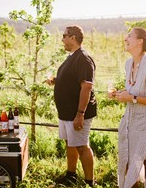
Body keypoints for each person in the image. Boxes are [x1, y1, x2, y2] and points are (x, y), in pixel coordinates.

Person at [109, 27, 146, 188]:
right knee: (128, 160)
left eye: (129, 36)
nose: (125, 39)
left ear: (140, 41)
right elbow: (134, 89)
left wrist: (132, 98)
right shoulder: (129, 64)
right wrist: (120, 94)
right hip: (132, 120)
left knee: (144, 163)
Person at [46, 25, 97, 187]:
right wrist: (56, 80)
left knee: (82, 146)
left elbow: (86, 87)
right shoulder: (72, 56)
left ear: (73, 38)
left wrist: (80, 113)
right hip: (67, 112)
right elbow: (72, 78)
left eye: (64, 36)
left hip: (77, 112)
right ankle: (71, 175)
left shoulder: (83, 58)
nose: (62, 39)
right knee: (70, 143)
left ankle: (90, 182)